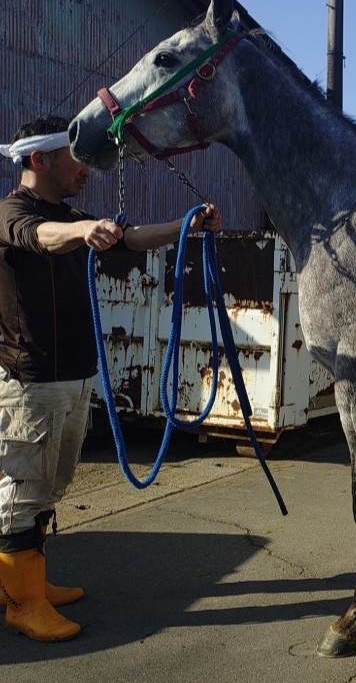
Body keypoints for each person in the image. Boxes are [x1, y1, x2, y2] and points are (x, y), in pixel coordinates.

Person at [0, 115, 221, 641]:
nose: (89, 170)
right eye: (78, 157)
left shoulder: (69, 213)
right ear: (40, 160)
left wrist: (186, 225)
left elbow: (129, 238)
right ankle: (21, 601)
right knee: (21, 490)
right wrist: (81, 230)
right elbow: (41, 238)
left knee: (50, 486)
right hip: (30, 378)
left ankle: (34, 583)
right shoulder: (13, 211)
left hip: (73, 375)